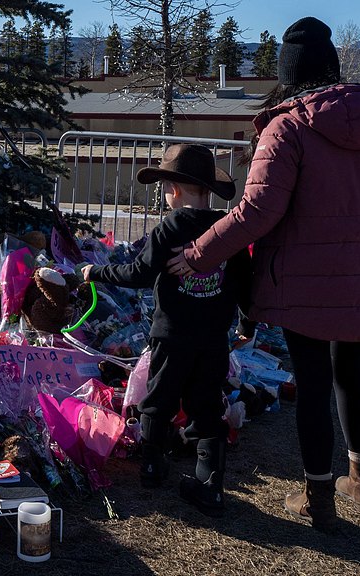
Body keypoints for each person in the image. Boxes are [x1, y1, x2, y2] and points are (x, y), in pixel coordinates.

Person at [166, 17, 360, 531]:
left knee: (313, 382)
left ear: (288, 73)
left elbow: (256, 212)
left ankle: (319, 496)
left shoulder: (288, 126)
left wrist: (200, 253)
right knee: (350, 373)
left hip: (308, 278)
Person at [82, 143, 254, 517]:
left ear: (173, 190)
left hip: (171, 335)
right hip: (213, 339)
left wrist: (96, 272)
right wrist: (247, 323)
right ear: (207, 189)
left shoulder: (169, 228)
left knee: (159, 399)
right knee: (206, 406)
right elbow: (246, 284)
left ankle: (152, 465)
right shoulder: (228, 233)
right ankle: (210, 485)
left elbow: (138, 274)